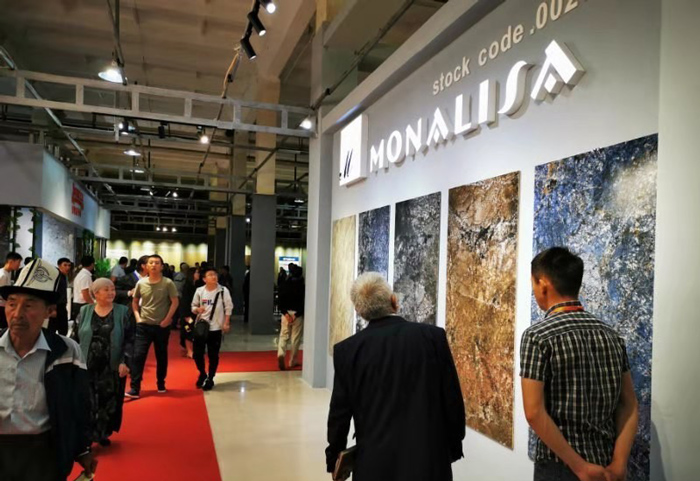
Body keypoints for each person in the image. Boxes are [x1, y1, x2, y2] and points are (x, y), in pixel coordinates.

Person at [325, 272, 465, 481]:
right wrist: (453, 446)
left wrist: (334, 459)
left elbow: (339, 415)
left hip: (374, 465)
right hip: (428, 462)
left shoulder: (347, 351)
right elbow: (452, 400)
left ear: (359, 311)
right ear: (393, 300)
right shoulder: (432, 337)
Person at [520, 247, 639, 481]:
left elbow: (534, 412)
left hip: (560, 466)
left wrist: (580, 467)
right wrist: (619, 463)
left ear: (543, 284)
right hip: (606, 464)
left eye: (533, 283)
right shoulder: (611, 335)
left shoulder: (538, 337)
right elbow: (629, 405)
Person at [0, 259, 97, 481]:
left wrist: (83, 448)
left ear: (50, 311)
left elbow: (80, 402)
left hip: (42, 451)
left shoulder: (66, 350)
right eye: (12, 303)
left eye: (29, 305)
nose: (17, 313)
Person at [71, 278, 134, 447]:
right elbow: (75, 337)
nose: (111, 292)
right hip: (87, 363)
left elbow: (130, 339)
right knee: (87, 400)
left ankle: (103, 432)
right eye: (106, 289)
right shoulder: (85, 311)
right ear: (96, 293)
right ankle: (88, 435)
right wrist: (72, 360)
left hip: (111, 365)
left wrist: (125, 361)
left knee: (108, 400)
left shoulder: (123, 312)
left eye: (112, 289)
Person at [127, 254, 179, 398]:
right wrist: (138, 317)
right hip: (143, 326)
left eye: (157, 263)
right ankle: (135, 387)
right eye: (151, 263)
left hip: (162, 326)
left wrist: (168, 319)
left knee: (161, 355)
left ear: (162, 266)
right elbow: (135, 301)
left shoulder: (168, 283)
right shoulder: (141, 283)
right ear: (146, 266)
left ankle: (161, 383)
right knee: (138, 356)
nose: (154, 265)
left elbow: (175, 302)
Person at [190, 267, 233, 391]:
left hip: (216, 328)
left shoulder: (223, 291)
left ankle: (210, 378)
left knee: (213, 355)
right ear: (204, 279)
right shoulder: (200, 291)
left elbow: (228, 307)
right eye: (210, 275)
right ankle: (202, 373)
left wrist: (226, 323)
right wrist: (197, 309)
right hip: (202, 327)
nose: (214, 277)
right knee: (197, 354)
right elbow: (193, 306)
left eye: (215, 274)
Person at [277, 264, 304, 370]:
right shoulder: (302, 286)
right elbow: (303, 303)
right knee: (295, 338)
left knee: (284, 335)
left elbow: (280, 301)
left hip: (286, 314)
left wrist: (286, 314)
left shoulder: (284, 284)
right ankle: (292, 361)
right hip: (297, 314)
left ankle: (281, 353)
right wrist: (296, 315)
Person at [48, 257, 71, 335]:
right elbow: (53, 292)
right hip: (57, 306)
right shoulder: (56, 277)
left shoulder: (64, 276)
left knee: (63, 330)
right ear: (59, 265)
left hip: (62, 306)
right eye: (65, 265)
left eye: (69, 265)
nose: (67, 267)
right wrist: (53, 309)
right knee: (53, 329)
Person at [179, 267, 198, 358]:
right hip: (187, 314)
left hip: (193, 313)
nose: (198, 274)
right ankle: (189, 350)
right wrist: (186, 315)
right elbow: (185, 302)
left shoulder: (194, 285)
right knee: (188, 330)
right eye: (196, 272)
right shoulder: (188, 286)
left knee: (191, 330)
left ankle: (190, 349)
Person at [0, 251, 22, 329]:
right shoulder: (3, 275)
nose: (19, 265)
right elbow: (3, 294)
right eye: (18, 262)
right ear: (11, 261)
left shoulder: (7, 273)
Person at [72, 255, 95, 321]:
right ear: (92, 264)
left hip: (80, 303)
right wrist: (93, 305)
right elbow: (85, 294)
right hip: (82, 304)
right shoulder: (85, 276)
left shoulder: (82, 274)